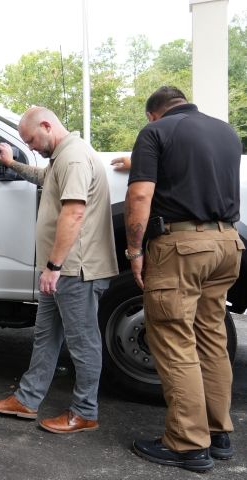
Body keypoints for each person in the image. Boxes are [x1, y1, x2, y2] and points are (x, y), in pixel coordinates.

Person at [126, 86, 243, 472]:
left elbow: (141, 197)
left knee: (174, 339)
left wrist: (135, 251)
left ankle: (187, 445)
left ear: (153, 114)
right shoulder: (225, 131)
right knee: (211, 337)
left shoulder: (155, 133)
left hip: (181, 248)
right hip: (228, 243)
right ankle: (217, 431)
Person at [0, 106, 118, 432]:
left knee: (83, 343)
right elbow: (45, 178)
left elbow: (73, 214)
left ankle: (85, 412)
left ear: (46, 125)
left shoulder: (73, 158)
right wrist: (12, 164)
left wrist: (54, 267)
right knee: (46, 337)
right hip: (61, 271)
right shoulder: (62, 157)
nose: (31, 146)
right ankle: (27, 400)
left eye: (31, 139)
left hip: (74, 270)